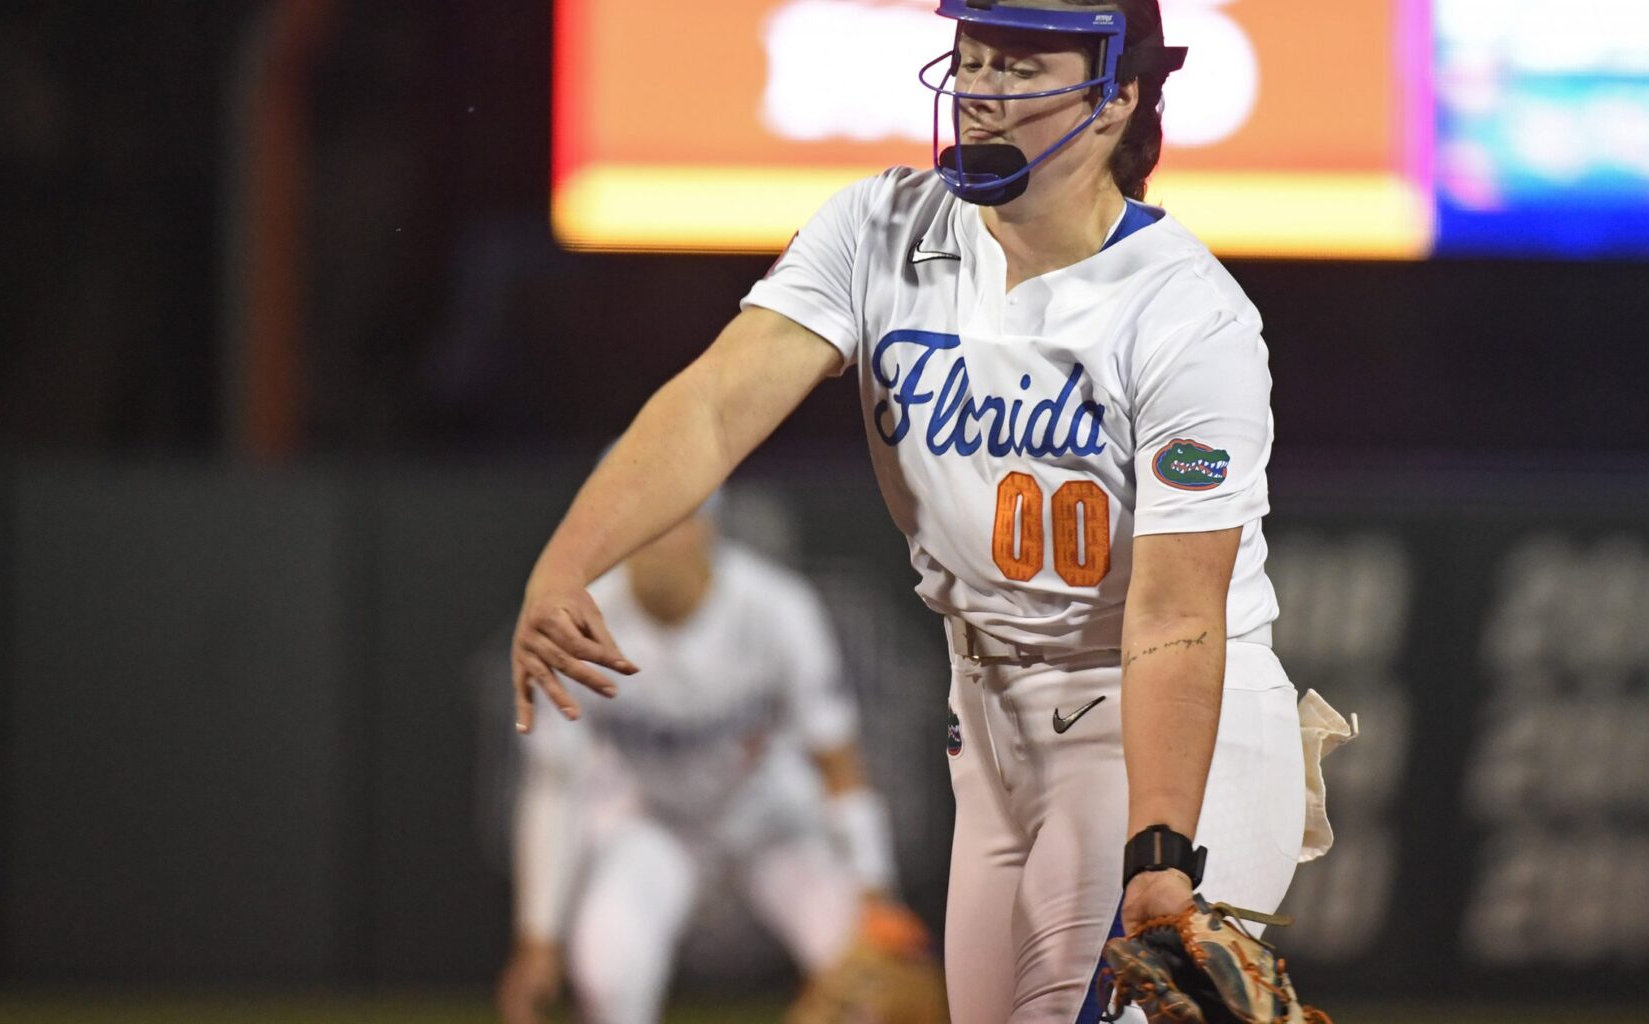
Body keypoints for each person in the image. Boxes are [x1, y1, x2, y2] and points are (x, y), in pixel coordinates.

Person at [510, 1, 1311, 1020]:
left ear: (1118, 98)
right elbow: (715, 404)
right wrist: (567, 560)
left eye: (1022, 67)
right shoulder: (884, 228)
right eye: (974, 56)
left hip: (1161, 727)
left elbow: (1176, 613)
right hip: (989, 730)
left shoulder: (1188, 316)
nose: (982, 88)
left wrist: (1161, 849)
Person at [497, 502, 933, 1024]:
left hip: (768, 813)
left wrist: (875, 892)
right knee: (607, 972)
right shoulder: (575, 624)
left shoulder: (774, 606)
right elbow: (555, 784)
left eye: (662, 520)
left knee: (868, 977)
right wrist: (538, 937)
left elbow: (836, 760)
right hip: (654, 819)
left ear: (706, 525)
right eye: (629, 525)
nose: (646, 541)